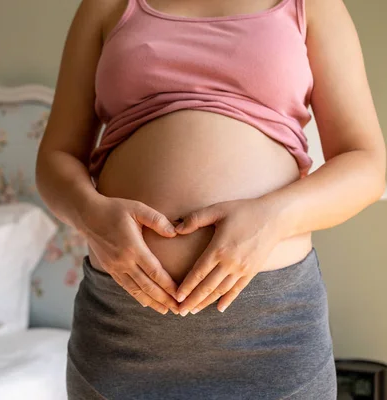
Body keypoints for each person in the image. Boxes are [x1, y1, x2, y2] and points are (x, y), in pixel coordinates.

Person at [35, 0, 386, 398]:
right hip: (124, 331)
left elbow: (367, 164)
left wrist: (274, 217)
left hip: (272, 334)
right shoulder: (106, 6)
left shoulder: (314, 6)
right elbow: (56, 157)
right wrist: (89, 214)